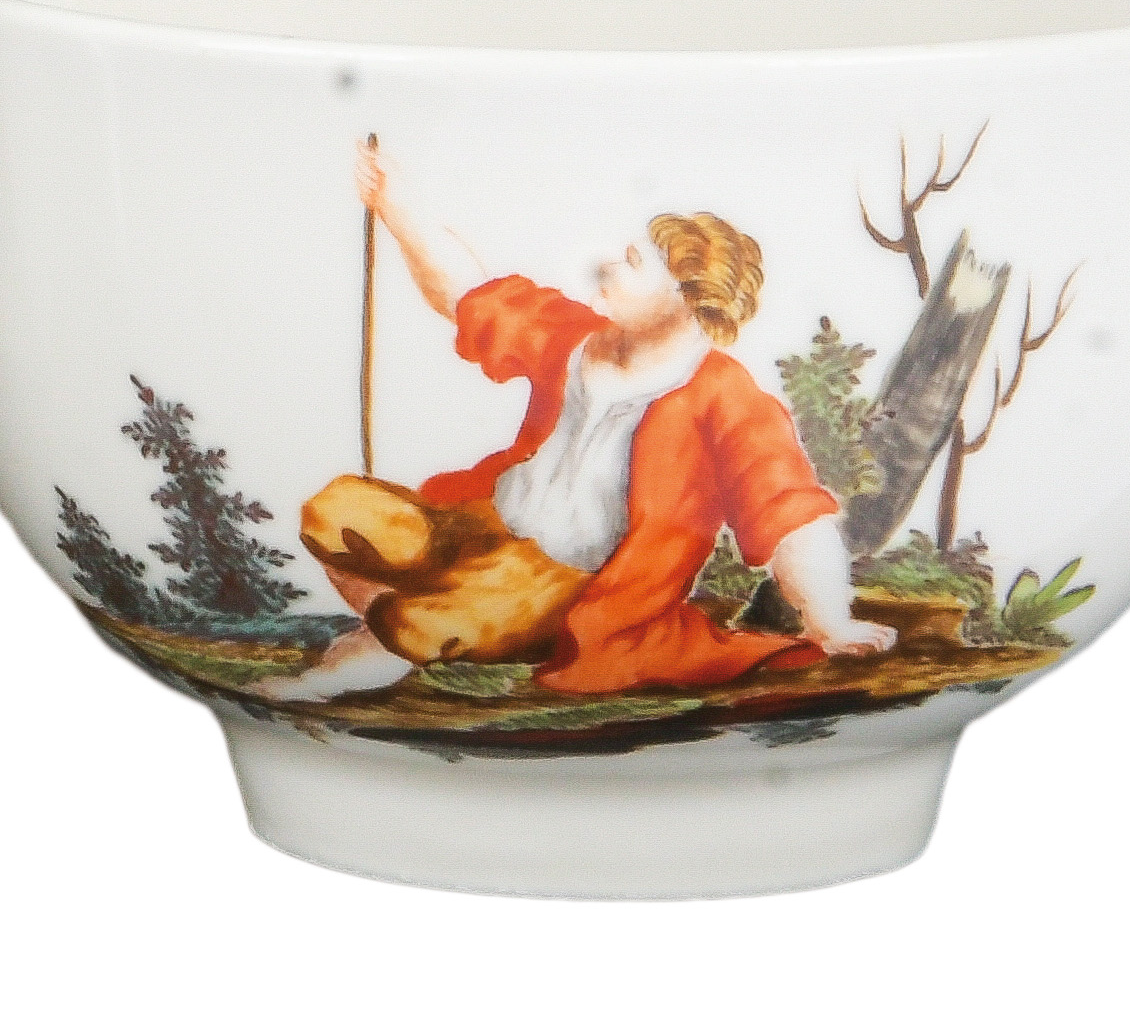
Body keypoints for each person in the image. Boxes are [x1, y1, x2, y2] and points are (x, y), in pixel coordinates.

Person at [259, 138, 895, 705]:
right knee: (336, 512)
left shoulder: (726, 399)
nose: (608, 268)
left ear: (688, 298)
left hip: (564, 578)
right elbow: (465, 293)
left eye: (633, 264)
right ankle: (402, 630)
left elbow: (791, 513)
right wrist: (396, 208)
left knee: (423, 622)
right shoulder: (576, 338)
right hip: (481, 524)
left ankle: (397, 642)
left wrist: (830, 620)